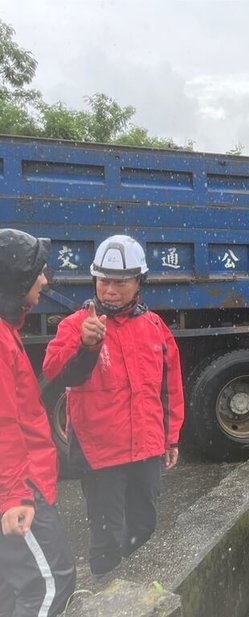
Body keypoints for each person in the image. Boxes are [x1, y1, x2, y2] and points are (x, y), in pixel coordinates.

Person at [43, 234, 184, 577]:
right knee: (105, 540)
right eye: (104, 280)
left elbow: (170, 388)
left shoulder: (155, 327)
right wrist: (85, 345)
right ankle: (106, 596)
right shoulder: (77, 325)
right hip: (101, 454)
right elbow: (56, 373)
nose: (110, 289)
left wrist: (171, 437)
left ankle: (136, 591)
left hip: (148, 449)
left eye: (121, 281)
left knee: (145, 529)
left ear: (139, 283)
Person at [0, 229, 76, 616]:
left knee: (11, 590)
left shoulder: (7, 327)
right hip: (18, 486)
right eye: (37, 273)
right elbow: (3, 423)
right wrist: (14, 495)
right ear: (14, 281)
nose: (45, 280)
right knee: (51, 583)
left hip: (19, 482)